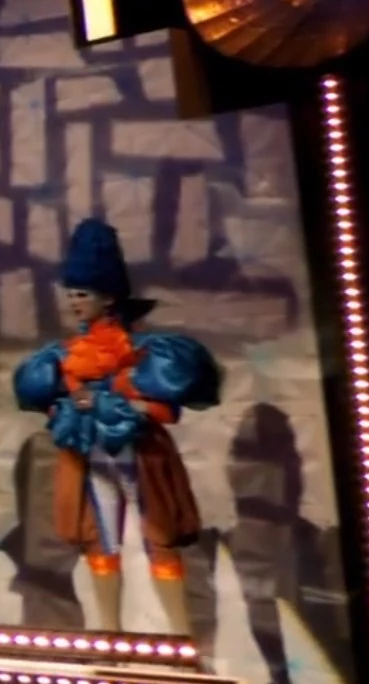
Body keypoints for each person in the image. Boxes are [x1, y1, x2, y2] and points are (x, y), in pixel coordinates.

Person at [13, 219, 219, 638]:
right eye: (71, 293)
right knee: (101, 541)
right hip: (92, 460)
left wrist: (119, 402)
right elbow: (52, 405)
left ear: (107, 298)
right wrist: (70, 407)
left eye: (82, 294)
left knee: (159, 538)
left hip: (139, 455)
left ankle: (181, 639)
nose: (73, 302)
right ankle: (110, 634)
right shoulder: (64, 356)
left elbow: (165, 410)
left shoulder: (144, 352)